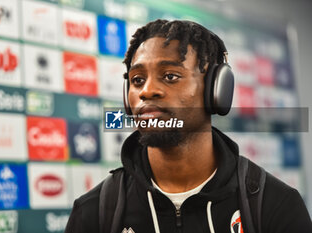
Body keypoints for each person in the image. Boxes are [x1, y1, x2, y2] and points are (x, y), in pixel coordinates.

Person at [65, 19, 312, 233]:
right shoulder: (94, 212)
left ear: (216, 90)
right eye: (137, 80)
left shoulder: (275, 205)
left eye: (170, 76)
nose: (147, 91)